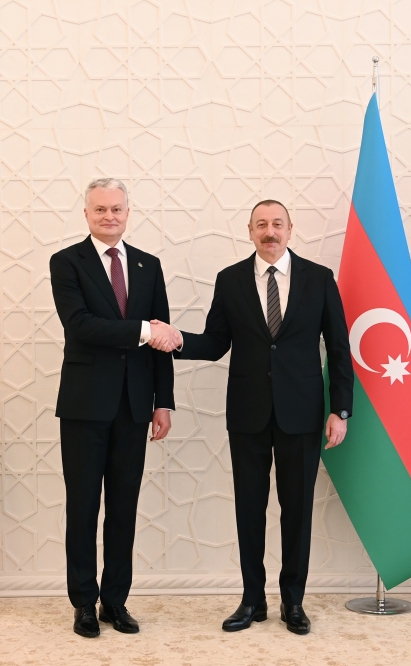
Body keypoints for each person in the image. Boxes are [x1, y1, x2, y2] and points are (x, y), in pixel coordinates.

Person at [150, 200, 353, 635]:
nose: (270, 231)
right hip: (248, 413)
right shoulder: (231, 279)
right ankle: (252, 599)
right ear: (249, 231)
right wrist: (177, 338)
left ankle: (293, 601)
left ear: (290, 230)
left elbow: (339, 348)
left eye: (277, 224)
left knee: (297, 510)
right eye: (261, 224)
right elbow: (216, 342)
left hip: (302, 413)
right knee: (249, 510)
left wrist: (340, 410)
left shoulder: (319, 278)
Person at [50, 178, 175, 638]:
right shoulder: (66, 262)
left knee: (124, 508)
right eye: (100, 209)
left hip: (135, 406)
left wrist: (163, 402)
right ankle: (84, 603)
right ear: (86, 213)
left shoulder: (148, 264)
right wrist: (143, 330)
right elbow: (80, 325)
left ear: (127, 213)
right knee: (83, 507)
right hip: (84, 405)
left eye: (116, 209)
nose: (109, 216)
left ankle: (115, 601)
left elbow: (162, 338)